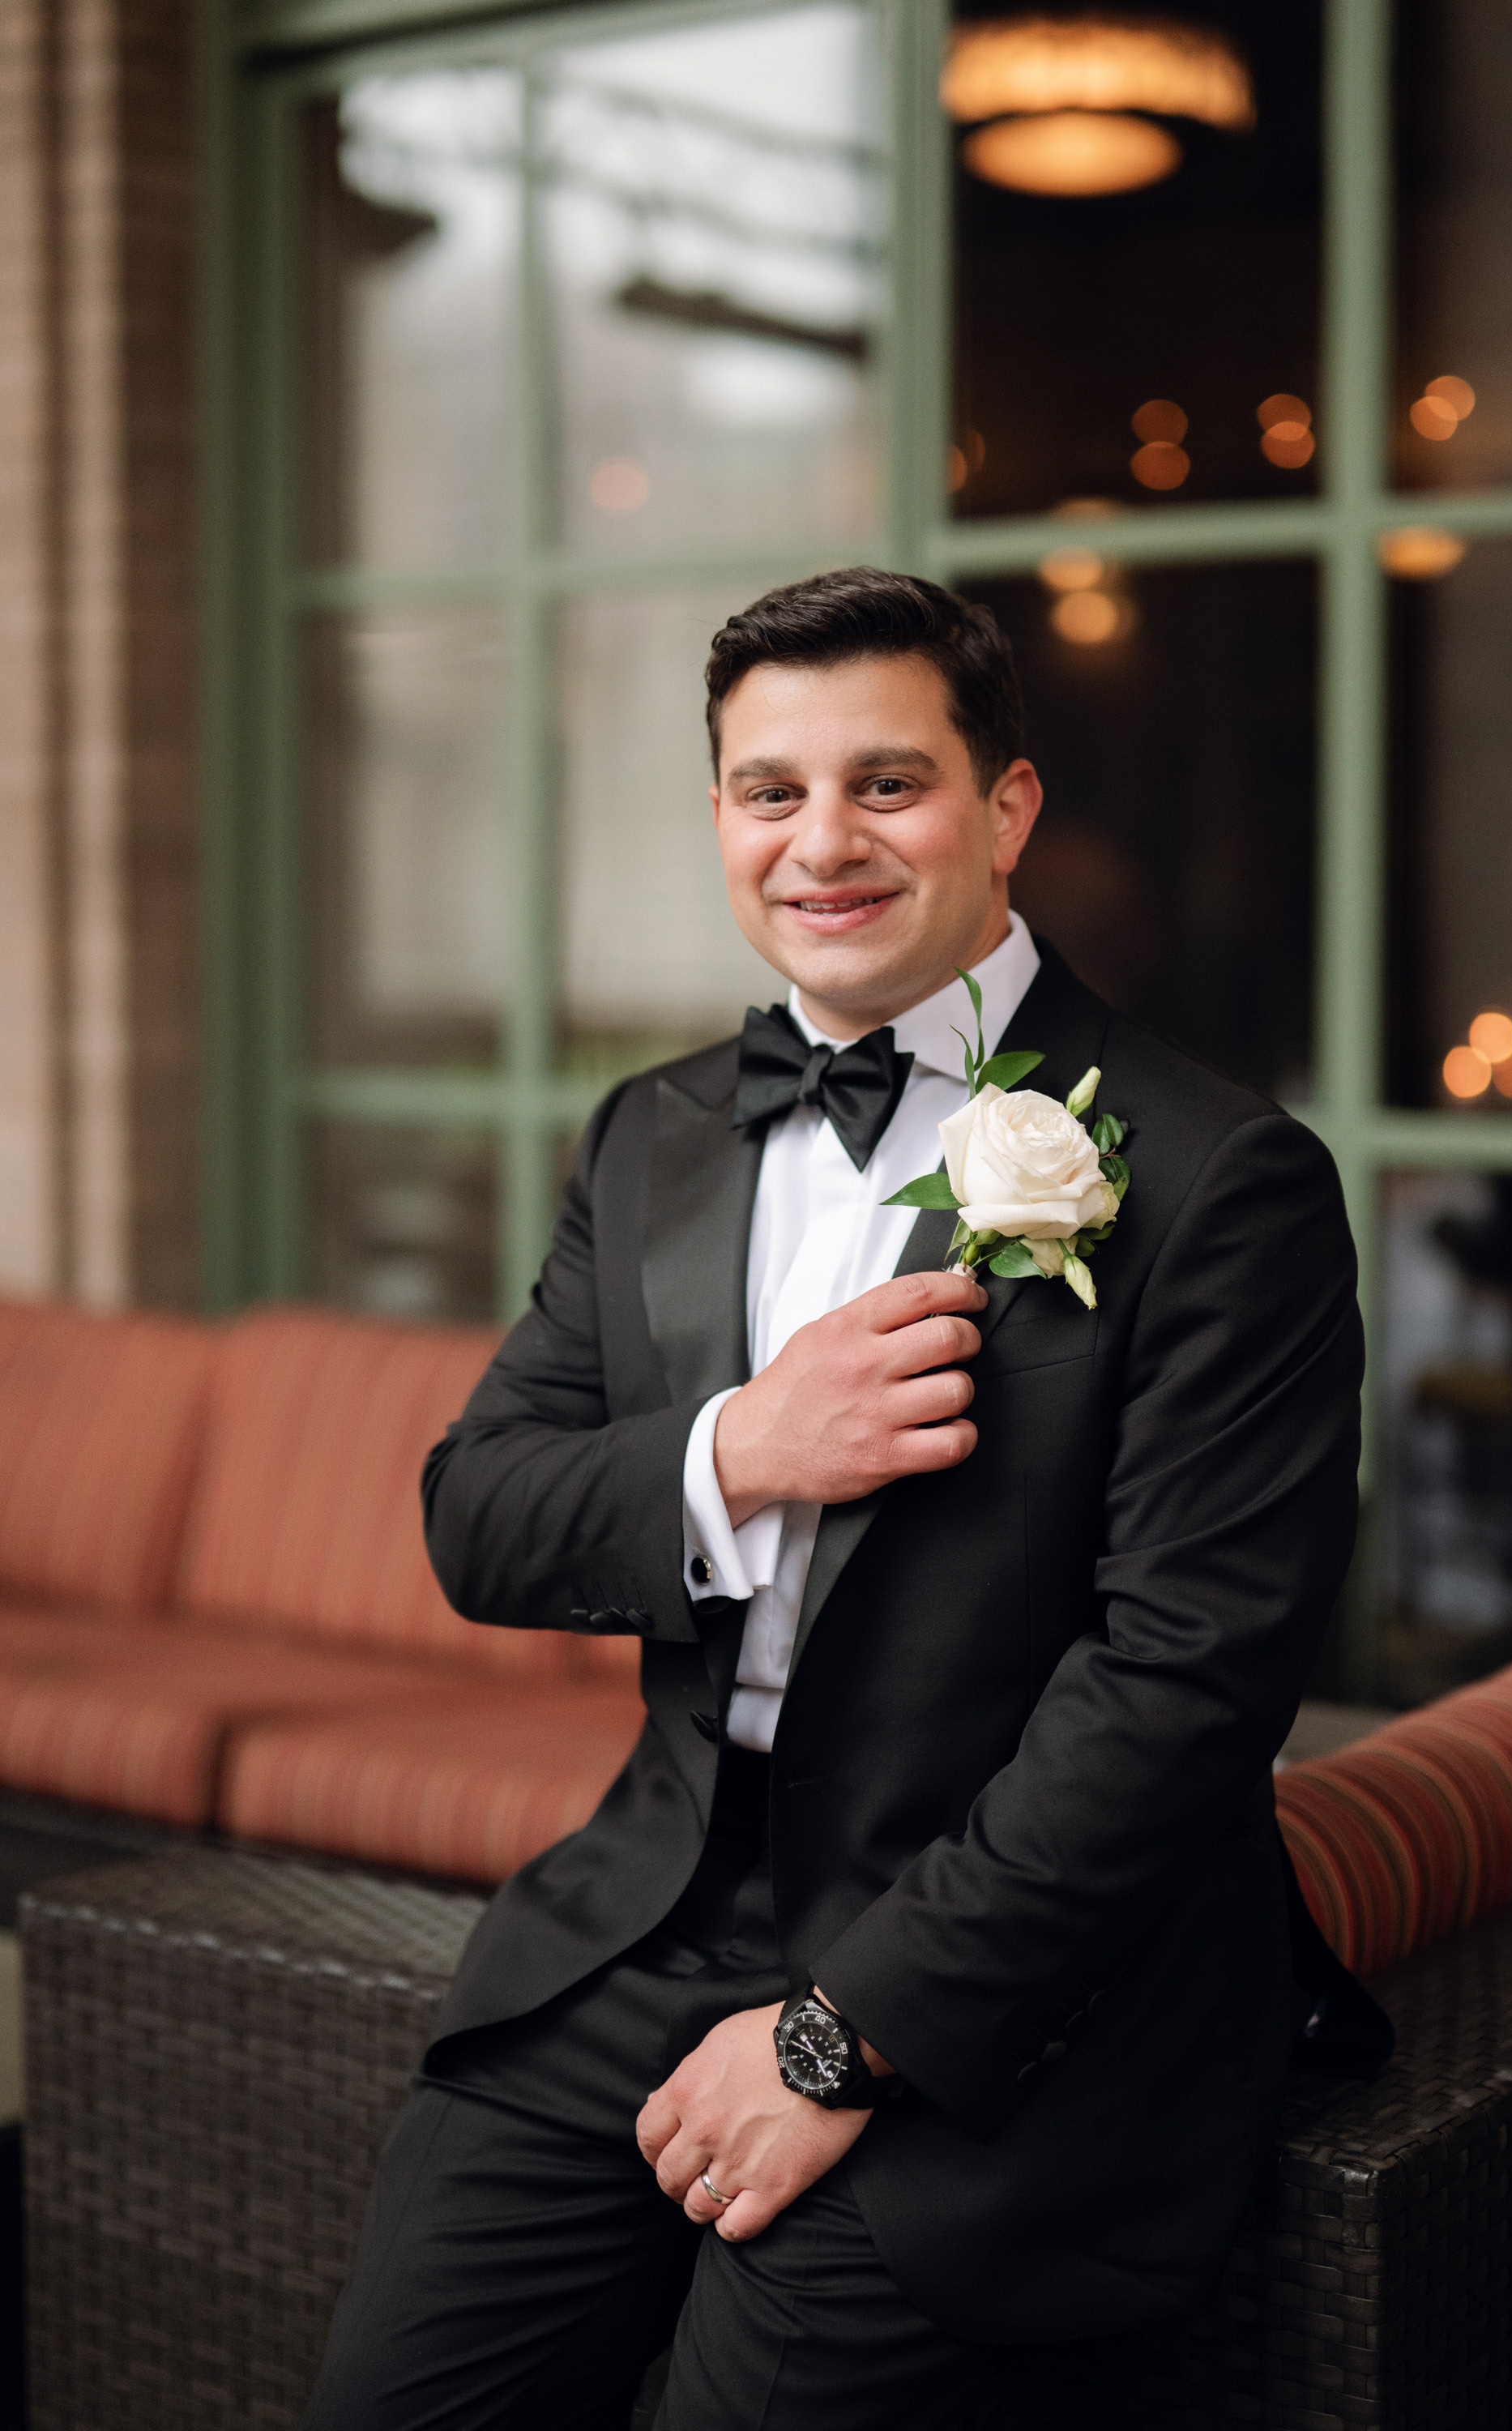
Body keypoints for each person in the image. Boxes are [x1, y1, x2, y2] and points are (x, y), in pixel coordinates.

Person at [302, 567, 1367, 2431]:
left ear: (1007, 808)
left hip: (1016, 1997)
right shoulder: (655, 1131)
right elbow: (481, 1513)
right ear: (717, 816)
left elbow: (1183, 1688)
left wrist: (835, 2034)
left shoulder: (1222, 1177)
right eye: (766, 791)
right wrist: (738, 1448)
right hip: (645, 1931)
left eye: (888, 783)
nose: (821, 843)